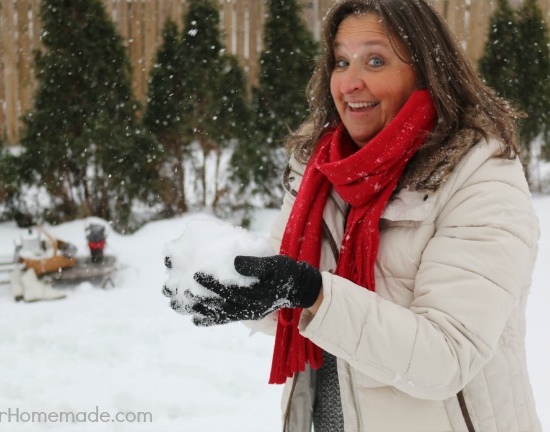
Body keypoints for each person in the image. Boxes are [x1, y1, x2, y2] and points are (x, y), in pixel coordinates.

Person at [163, 0, 541, 430]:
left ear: (426, 72)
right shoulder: (321, 171)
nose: (349, 82)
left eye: (375, 61)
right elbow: (311, 313)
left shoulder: (479, 178)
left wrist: (310, 291)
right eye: (341, 61)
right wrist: (241, 289)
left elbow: (446, 357)